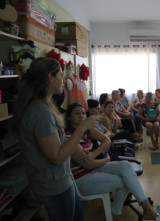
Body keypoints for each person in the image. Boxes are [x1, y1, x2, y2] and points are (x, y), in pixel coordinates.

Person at [15, 57, 100, 221]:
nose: (63, 80)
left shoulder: (44, 106)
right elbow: (57, 157)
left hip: (61, 180)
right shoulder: (40, 112)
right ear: (50, 78)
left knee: (77, 215)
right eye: (61, 75)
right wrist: (82, 127)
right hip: (53, 185)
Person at [65, 103, 160, 221]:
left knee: (126, 167)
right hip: (81, 179)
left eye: (83, 113)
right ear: (69, 117)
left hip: (93, 168)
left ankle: (142, 210)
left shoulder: (86, 130)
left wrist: (93, 154)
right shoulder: (69, 136)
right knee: (127, 180)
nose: (81, 116)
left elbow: (106, 139)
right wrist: (106, 159)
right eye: (77, 113)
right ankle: (123, 214)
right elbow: (88, 164)